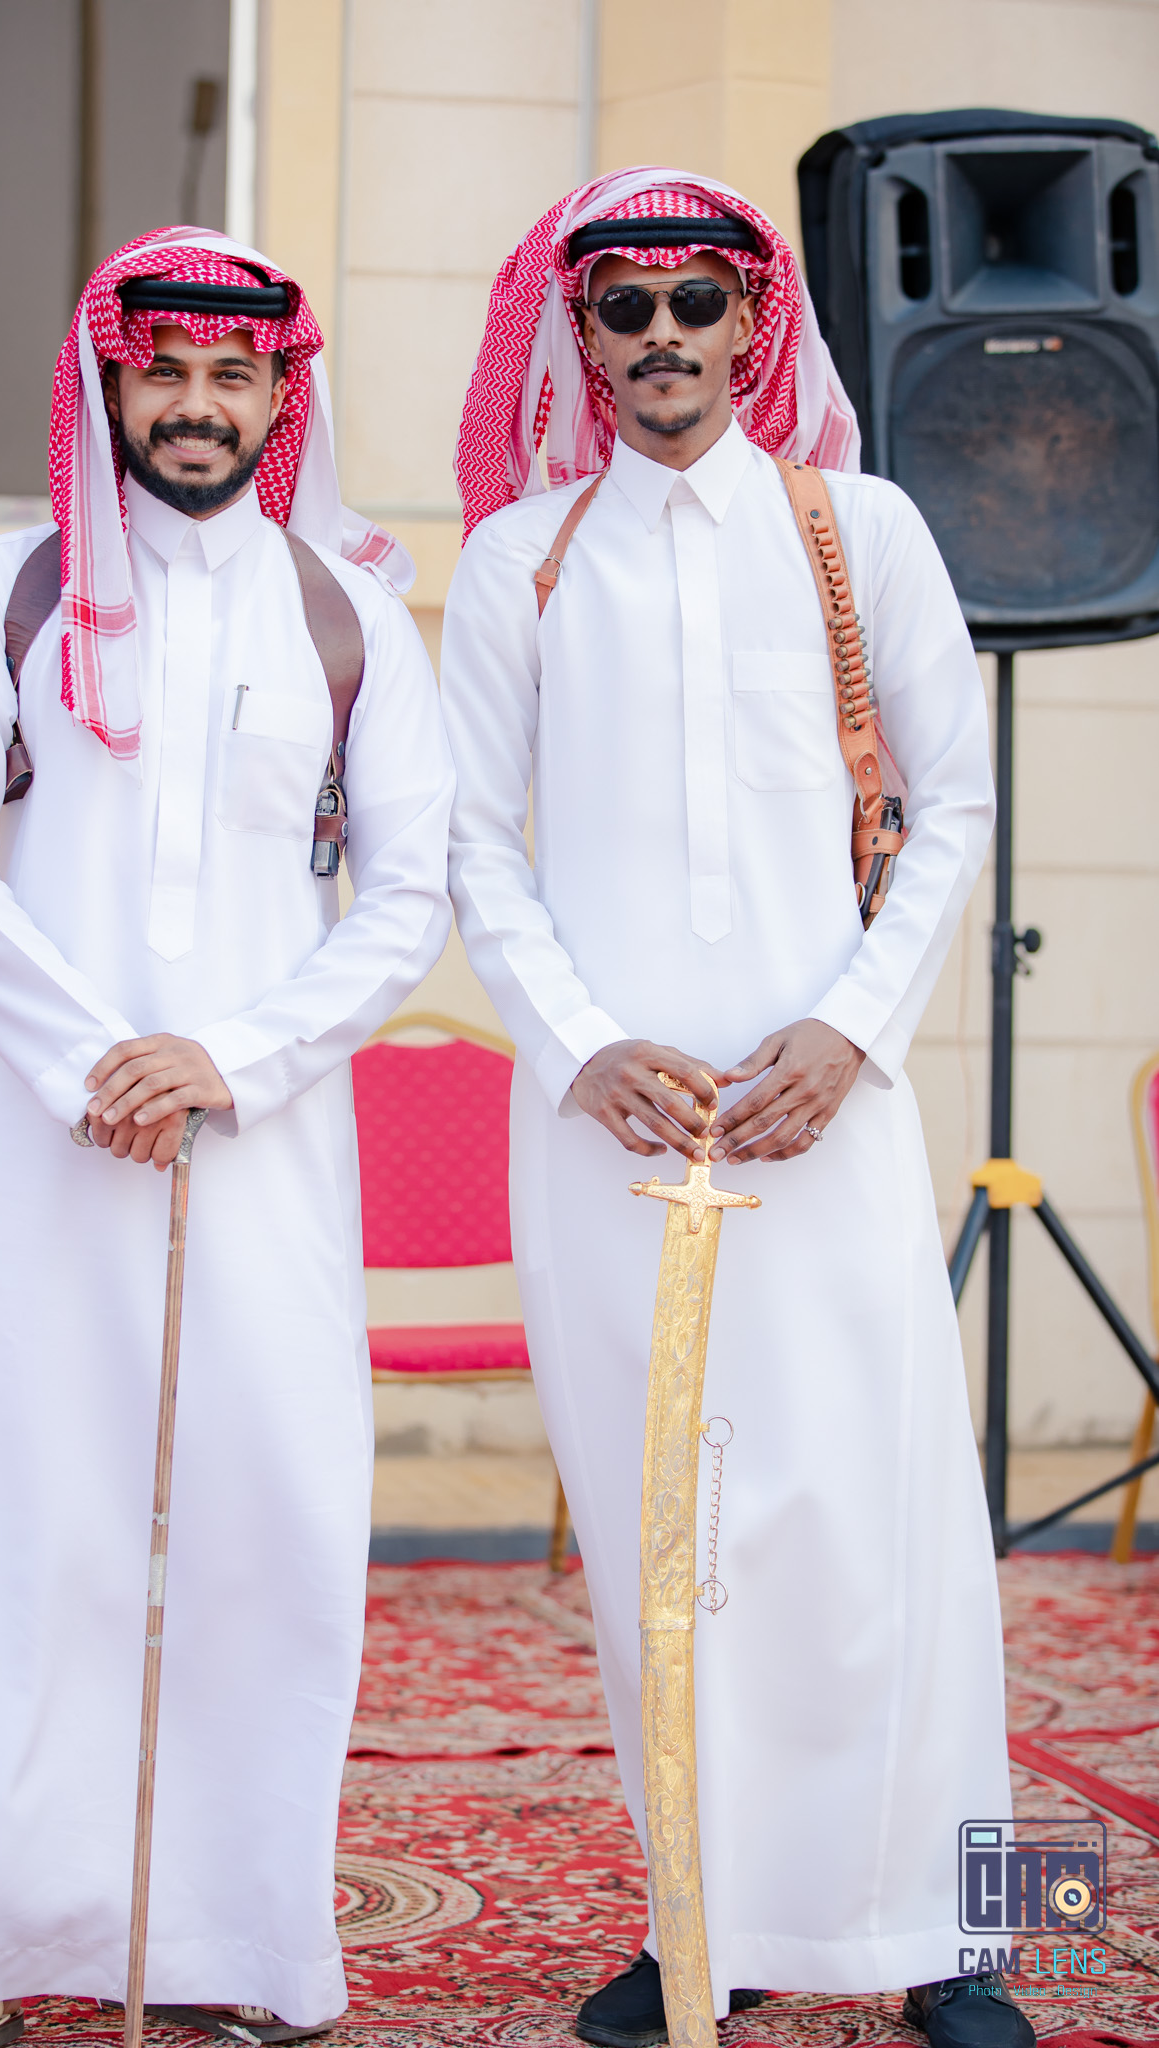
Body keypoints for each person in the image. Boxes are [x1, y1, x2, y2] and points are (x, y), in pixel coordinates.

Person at [442, 167, 1032, 2048]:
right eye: (623, 307)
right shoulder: (518, 561)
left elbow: (952, 803)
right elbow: (469, 842)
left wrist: (852, 1031)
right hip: (608, 1134)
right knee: (666, 1539)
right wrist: (577, 1044)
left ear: (751, 321)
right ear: (579, 334)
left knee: (888, 1522)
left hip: (830, 1120)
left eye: (697, 300)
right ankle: (704, 1921)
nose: (663, 336)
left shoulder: (862, 530)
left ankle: (972, 1937)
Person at [0, 229, 454, 2048]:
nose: (196, 405)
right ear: (109, 382)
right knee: (18, 1538)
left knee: (272, 1533)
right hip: (33, 1154)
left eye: (231, 376)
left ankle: (249, 1951)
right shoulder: (4, 592)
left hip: (264, 1157)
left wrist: (229, 1060)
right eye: (164, 371)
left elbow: (406, 896)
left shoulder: (348, 612)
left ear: (281, 395)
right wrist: (99, 1063)